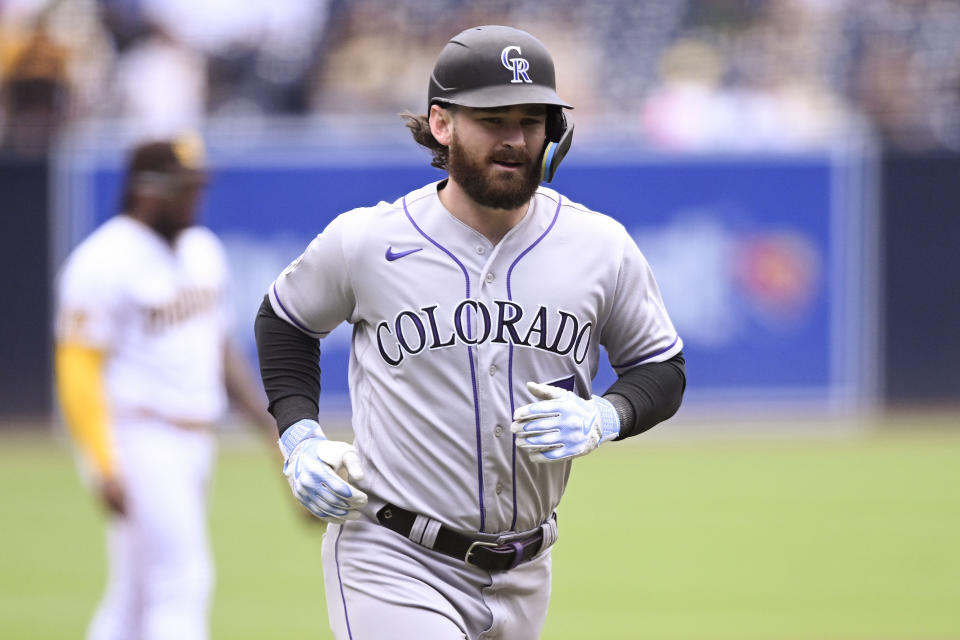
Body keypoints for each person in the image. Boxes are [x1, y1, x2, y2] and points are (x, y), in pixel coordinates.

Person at [255, 25, 686, 640]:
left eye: (531, 121)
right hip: (394, 557)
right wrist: (299, 437)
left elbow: (662, 367)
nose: (514, 140)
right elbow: (284, 320)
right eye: (493, 119)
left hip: (528, 568)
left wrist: (608, 416)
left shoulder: (600, 247)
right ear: (442, 124)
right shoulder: (369, 241)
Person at [54, 135, 276, 640]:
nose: (194, 197)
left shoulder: (202, 250)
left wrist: (269, 429)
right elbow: (77, 370)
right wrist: (103, 464)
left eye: (197, 186)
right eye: (183, 187)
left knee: (134, 595)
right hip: (138, 438)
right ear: (146, 190)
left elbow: (219, 351)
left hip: (195, 438)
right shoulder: (103, 259)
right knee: (183, 580)